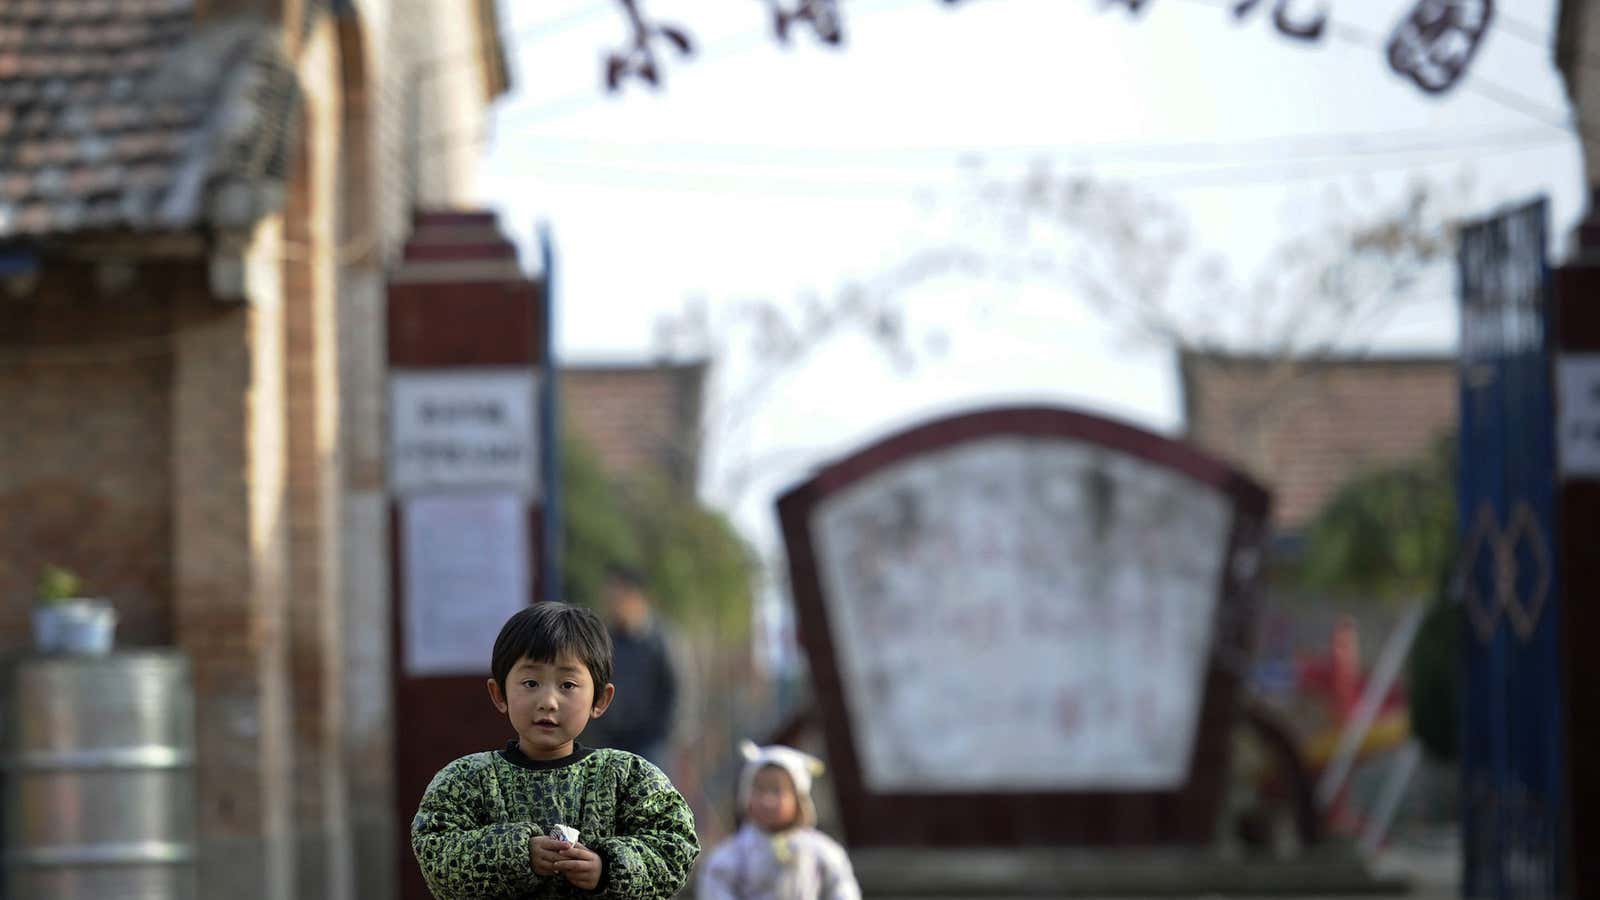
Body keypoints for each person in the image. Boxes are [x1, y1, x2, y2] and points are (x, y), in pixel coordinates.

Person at [411, 602, 700, 900]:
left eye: (567, 684)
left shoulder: (628, 777)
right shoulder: (466, 780)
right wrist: (517, 852)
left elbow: (676, 845)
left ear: (600, 699)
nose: (548, 701)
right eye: (531, 682)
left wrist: (607, 867)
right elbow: (436, 850)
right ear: (499, 694)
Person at [696, 741, 860, 900]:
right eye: (759, 790)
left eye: (777, 791)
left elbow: (842, 889)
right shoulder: (731, 857)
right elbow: (715, 890)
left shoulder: (822, 852)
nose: (767, 800)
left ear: (799, 799)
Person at [591, 563, 679, 770]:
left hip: (651, 745)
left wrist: (664, 734)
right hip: (611, 742)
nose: (613, 602)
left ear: (636, 597)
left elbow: (678, 690)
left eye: (618, 596)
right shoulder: (604, 640)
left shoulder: (660, 640)